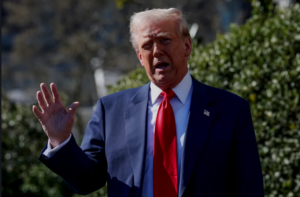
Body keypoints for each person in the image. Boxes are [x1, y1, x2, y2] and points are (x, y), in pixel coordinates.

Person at [33, 8, 264, 197]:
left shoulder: (231, 110)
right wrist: (60, 141)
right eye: (147, 45)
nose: (156, 51)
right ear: (138, 56)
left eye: (165, 40)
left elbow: (249, 189)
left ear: (187, 47)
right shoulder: (110, 110)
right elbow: (86, 181)